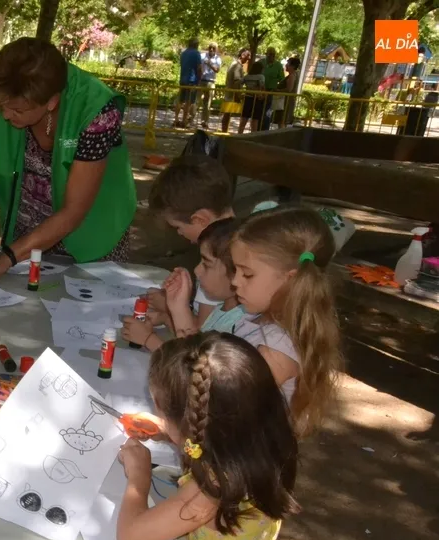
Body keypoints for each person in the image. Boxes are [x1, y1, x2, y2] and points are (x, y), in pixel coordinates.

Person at [117, 332, 298, 540]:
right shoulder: (265, 444)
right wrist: (169, 430)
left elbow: (130, 538)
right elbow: (211, 443)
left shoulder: (211, 491)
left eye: (160, 409)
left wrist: (139, 476)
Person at [0, 37, 137, 281]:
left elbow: (73, 212)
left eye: (17, 110)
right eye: (2, 107)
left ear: (52, 101)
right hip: (27, 235)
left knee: (86, 297)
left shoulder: (95, 111)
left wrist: (7, 258)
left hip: (92, 232)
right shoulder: (4, 94)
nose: (5, 115)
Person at [230, 207, 343, 436]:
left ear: (289, 279)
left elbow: (230, 410)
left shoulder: (276, 350)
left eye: (247, 274)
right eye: (235, 270)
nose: (235, 281)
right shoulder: (259, 319)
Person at [123, 218, 247, 350]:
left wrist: (148, 339)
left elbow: (190, 361)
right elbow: (195, 344)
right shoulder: (223, 308)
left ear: (237, 273)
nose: (197, 270)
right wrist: (174, 311)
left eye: (207, 264)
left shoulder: (239, 326)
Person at [146, 155, 235, 326]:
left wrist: (169, 307)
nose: (179, 233)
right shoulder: (242, 241)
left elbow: (202, 332)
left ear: (200, 219)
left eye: (178, 227)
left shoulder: (217, 263)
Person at [174, 38, 202, 128]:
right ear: (196, 45)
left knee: (180, 100)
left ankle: (176, 119)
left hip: (183, 79)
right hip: (191, 81)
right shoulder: (196, 53)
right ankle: (184, 121)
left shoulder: (184, 53)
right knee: (188, 102)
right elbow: (199, 68)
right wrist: (199, 80)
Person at [221, 48, 250, 133]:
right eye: (248, 55)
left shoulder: (234, 64)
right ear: (242, 55)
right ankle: (224, 134)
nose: (249, 58)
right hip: (232, 95)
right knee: (227, 114)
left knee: (227, 114)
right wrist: (238, 95)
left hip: (230, 93)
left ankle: (224, 133)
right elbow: (236, 82)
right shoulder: (237, 66)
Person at [239, 60, 266, 134]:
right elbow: (262, 86)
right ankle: (253, 135)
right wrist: (263, 94)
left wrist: (240, 92)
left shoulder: (247, 76)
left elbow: (239, 83)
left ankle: (239, 134)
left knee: (244, 119)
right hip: (257, 99)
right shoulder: (261, 76)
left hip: (247, 98)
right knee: (255, 120)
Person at [198, 43, 221, 130]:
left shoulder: (218, 59)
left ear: (216, 50)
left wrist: (210, 64)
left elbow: (217, 70)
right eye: (210, 47)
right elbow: (198, 66)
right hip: (201, 81)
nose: (211, 49)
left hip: (211, 82)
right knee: (196, 101)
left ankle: (205, 122)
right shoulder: (202, 56)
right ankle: (190, 119)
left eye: (213, 48)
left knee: (207, 103)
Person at [273, 57, 301, 128]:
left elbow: (289, 89)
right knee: (282, 120)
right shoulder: (294, 74)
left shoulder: (292, 75)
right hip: (286, 101)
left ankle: (281, 133)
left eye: (288, 64)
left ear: (293, 66)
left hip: (285, 101)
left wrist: (278, 90)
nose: (286, 65)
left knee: (282, 120)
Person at [261, 47, 285, 130]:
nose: (271, 56)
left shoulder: (278, 65)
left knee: (268, 112)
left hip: (271, 92)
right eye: (270, 54)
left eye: (273, 55)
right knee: (259, 111)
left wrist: (277, 89)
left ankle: (265, 130)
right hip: (260, 91)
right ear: (266, 54)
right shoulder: (261, 62)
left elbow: (282, 80)